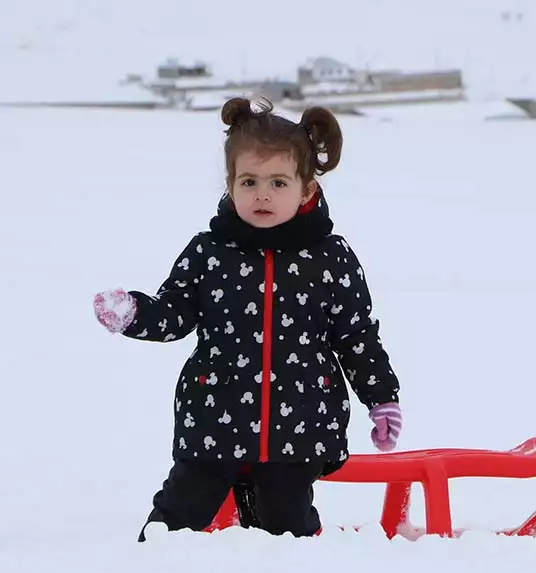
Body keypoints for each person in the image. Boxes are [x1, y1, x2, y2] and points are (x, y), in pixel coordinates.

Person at [93, 97, 402, 541]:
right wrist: (137, 314)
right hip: (215, 416)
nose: (262, 194)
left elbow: (355, 335)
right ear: (230, 184)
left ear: (307, 189)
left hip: (300, 421)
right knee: (180, 510)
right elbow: (176, 311)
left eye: (278, 182)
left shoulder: (331, 258)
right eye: (249, 181)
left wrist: (381, 396)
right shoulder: (209, 252)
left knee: (286, 521)